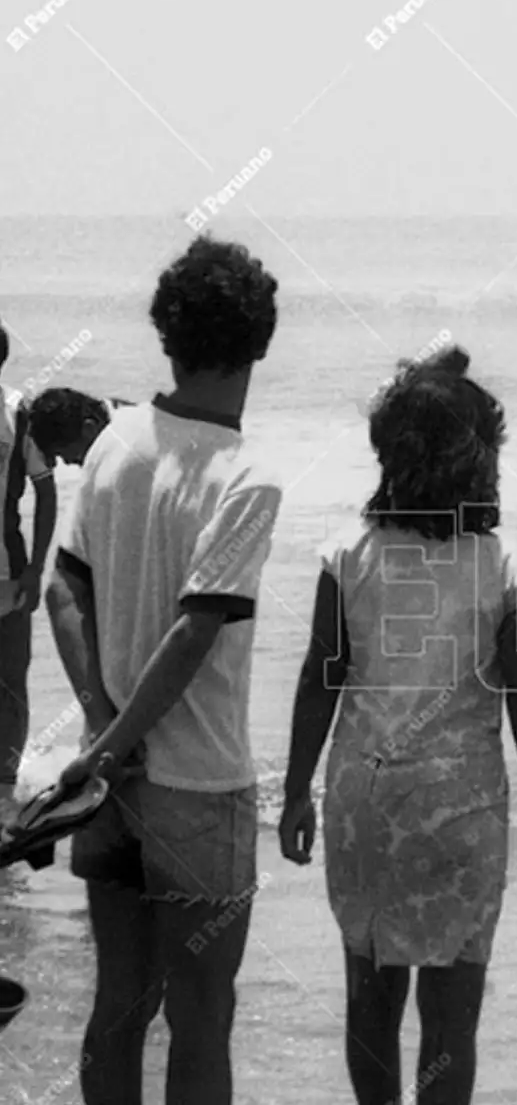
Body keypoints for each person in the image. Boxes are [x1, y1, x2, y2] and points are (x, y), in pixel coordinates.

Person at [278, 345, 517, 1105]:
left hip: (365, 802)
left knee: (370, 1002)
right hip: (461, 812)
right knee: (451, 1020)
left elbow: (321, 679)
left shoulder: (348, 555)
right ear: (483, 461)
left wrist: (294, 792)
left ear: (389, 457)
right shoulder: (508, 566)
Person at [45, 235, 281, 1104]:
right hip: (198, 784)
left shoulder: (115, 442)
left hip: (107, 788)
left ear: (167, 336)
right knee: (202, 1016)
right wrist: (117, 744)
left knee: (120, 1004)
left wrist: (101, 726)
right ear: (259, 343)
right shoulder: (245, 475)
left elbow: (62, 588)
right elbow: (194, 631)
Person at [0, 325, 58, 827]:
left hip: (8, 573)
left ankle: (5, 788)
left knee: (11, 678)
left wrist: (37, 567)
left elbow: (46, 489)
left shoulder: (18, 414)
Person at [27, 387, 132, 467]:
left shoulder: (126, 453)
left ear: (89, 429)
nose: (67, 462)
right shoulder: (115, 413)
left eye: (63, 453)